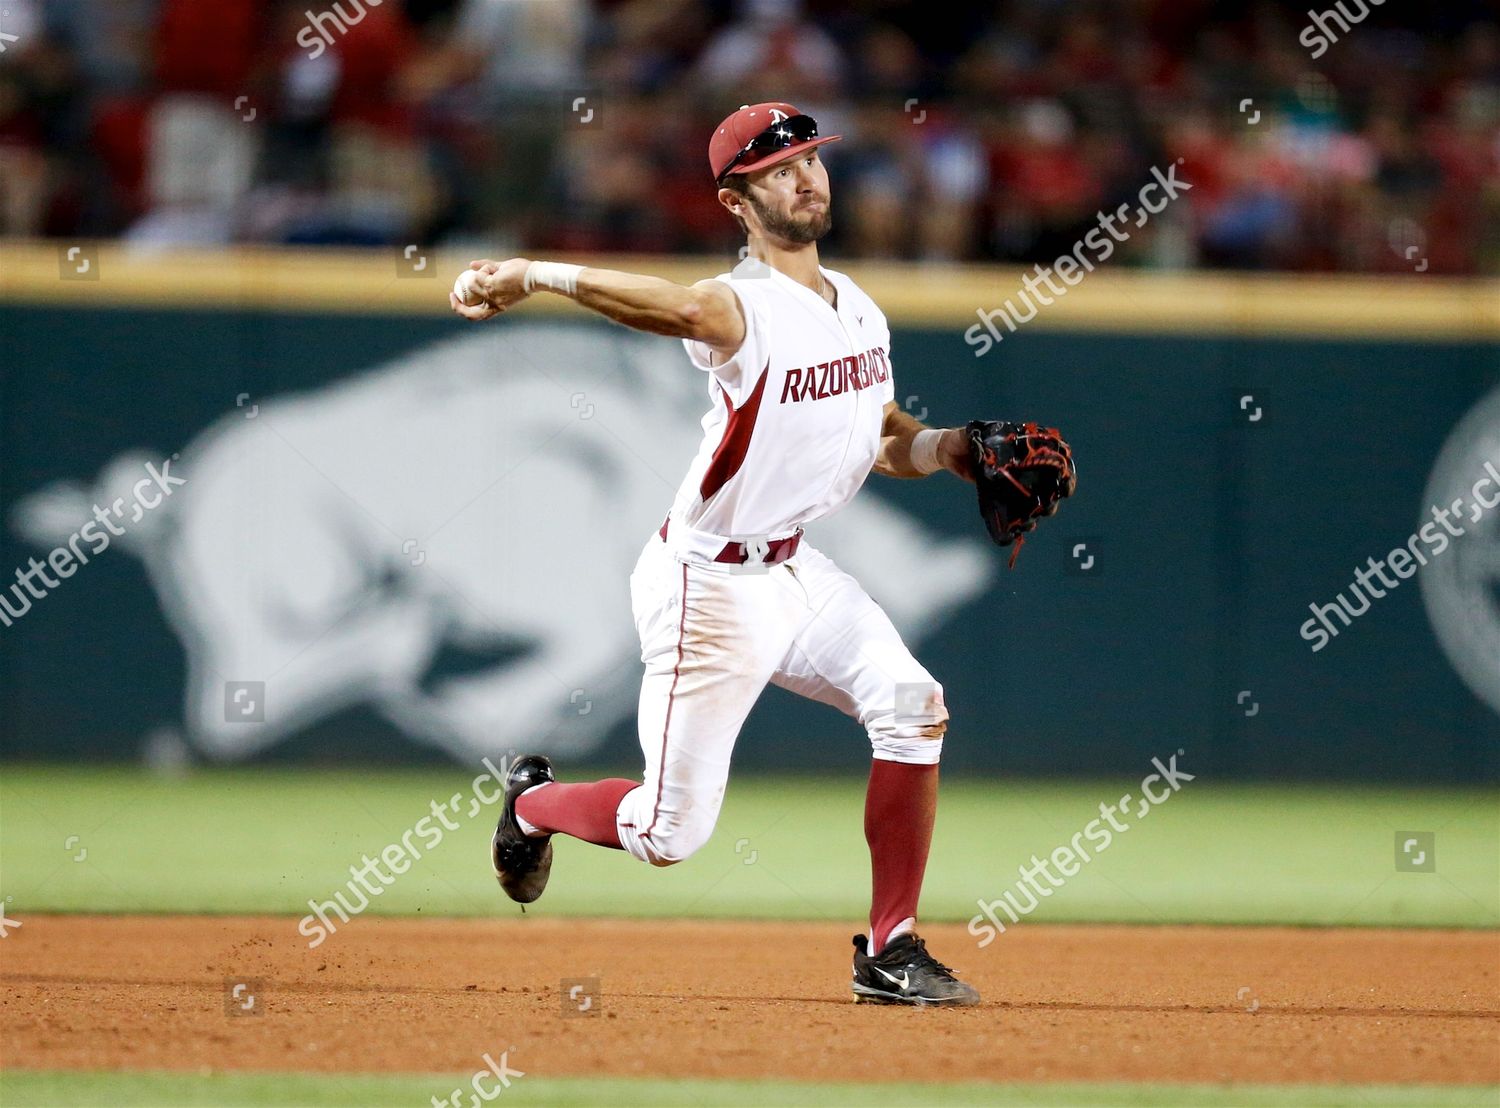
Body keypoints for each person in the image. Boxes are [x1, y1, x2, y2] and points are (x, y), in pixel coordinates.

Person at [451, 101, 980, 1005]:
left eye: (812, 160)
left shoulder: (856, 306)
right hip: (709, 581)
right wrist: (533, 272)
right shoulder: (744, 305)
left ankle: (891, 948)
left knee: (911, 703)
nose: (806, 177)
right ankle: (532, 805)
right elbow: (676, 307)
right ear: (738, 201)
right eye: (779, 170)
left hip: (796, 570)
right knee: (667, 833)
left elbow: (882, 436)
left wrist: (953, 451)